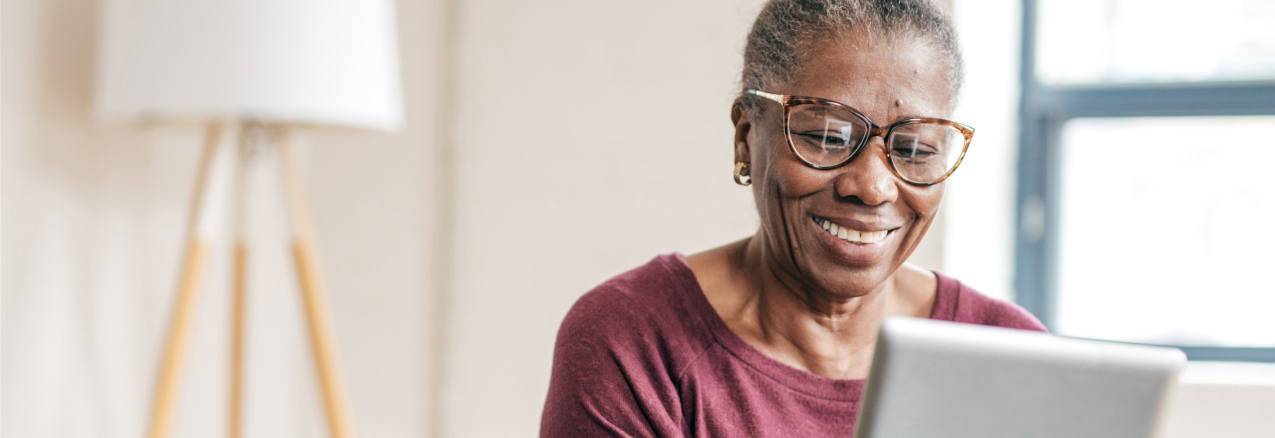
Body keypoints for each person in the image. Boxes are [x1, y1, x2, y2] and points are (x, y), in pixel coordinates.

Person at [540, 0, 1045, 436]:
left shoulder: (1009, 356)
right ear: (746, 138)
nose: (871, 187)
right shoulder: (634, 343)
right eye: (827, 136)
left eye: (914, 149)